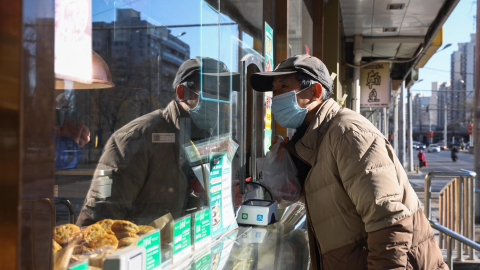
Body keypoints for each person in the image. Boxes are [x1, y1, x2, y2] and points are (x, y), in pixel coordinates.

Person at [250, 54, 446, 270]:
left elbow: (389, 221)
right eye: (274, 91)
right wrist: (289, 166)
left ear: (315, 91)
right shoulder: (313, 138)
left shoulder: (348, 133)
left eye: (284, 86)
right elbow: (337, 201)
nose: (276, 97)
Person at [77, 57, 233, 226]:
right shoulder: (137, 137)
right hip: (142, 249)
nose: (219, 102)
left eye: (224, 93)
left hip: (184, 248)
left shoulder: (207, 139)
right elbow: (97, 222)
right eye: (211, 91)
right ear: (182, 93)